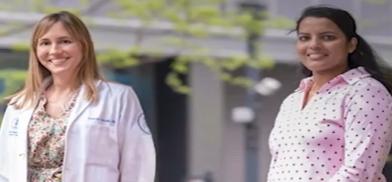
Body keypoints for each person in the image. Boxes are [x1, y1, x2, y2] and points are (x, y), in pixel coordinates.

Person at [0, 11, 155, 182]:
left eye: (65, 41)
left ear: (84, 46)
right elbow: (5, 168)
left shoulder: (117, 98)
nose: (54, 50)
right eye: (45, 43)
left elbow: (138, 164)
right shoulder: (20, 104)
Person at [267, 6, 392, 182]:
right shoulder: (292, 100)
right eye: (304, 38)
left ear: (351, 44)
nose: (314, 45)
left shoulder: (365, 92)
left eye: (327, 37)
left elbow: (361, 172)